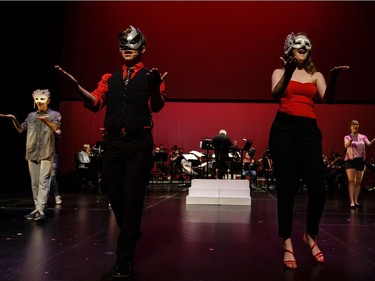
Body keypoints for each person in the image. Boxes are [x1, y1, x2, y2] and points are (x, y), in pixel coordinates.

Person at [55, 25, 167, 278]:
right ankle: (131, 229)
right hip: (113, 143)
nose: (126, 48)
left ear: (142, 48)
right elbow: (94, 103)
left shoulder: (152, 76)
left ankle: (124, 257)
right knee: (114, 195)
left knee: (133, 198)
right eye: (123, 45)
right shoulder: (109, 79)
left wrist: (153, 87)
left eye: (132, 44)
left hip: (139, 143)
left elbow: (157, 107)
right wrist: (76, 86)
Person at [268, 32, 349, 269]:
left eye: (306, 44)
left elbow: (328, 99)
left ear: (309, 49)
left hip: (309, 131)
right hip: (284, 129)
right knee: (287, 187)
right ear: (290, 49)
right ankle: (287, 242)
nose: (302, 47)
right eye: (298, 44)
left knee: (318, 188)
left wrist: (333, 78)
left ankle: (310, 235)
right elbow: (275, 94)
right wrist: (290, 73)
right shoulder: (280, 71)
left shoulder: (316, 75)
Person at [0, 89, 61, 220]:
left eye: (42, 99)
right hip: (31, 152)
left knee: (43, 181)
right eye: (37, 99)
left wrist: (45, 121)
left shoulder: (54, 114)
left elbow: (56, 128)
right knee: (34, 183)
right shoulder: (31, 116)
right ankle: (37, 208)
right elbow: (21, 129)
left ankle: (40, 210)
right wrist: (14, 119)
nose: (39, 102)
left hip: (46, 152)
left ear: (48, 100)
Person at [344, 120, 375, 208]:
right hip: (350, 160)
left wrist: (374, 140)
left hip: (360, 160)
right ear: (350, 127)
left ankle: (356, 200)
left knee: (358, 181)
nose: (355, 126)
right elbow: (345, 146)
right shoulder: (347, 137)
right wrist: (350, 141)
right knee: (351, 181)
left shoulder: (363, 136)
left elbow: (369, 144)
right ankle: (352, 202)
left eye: (357, 124)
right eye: (354, 124)